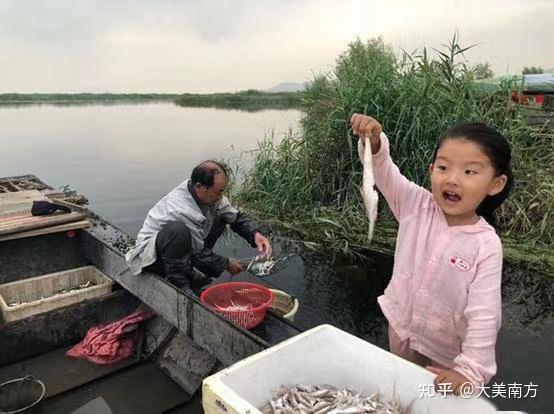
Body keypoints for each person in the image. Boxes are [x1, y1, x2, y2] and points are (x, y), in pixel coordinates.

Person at [350, 114, 513, 395]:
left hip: (446, 351)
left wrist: (470, 369)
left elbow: (485, 314)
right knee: (399, 390)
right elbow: (384, 171)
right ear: (431, 170)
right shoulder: (415, 204)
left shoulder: (486, 245)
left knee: (434, 399)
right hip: (402, 328)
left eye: (470, 172)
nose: (452, 179)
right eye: (443, 167)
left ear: (495, 184)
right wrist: (374, 143)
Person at [126, 160, 272, 294]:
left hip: (182, 251)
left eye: (222, 191)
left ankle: (190, 270)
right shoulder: (181, 209)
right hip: (153, 257)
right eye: (219, 191)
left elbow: (235, 217)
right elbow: (198, 252)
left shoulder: (210, 195)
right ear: (199, 187)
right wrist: (226, 264)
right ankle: (180, 285)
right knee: (178, 230)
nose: (221, 196)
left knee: (222, 218)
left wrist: (255, 235)